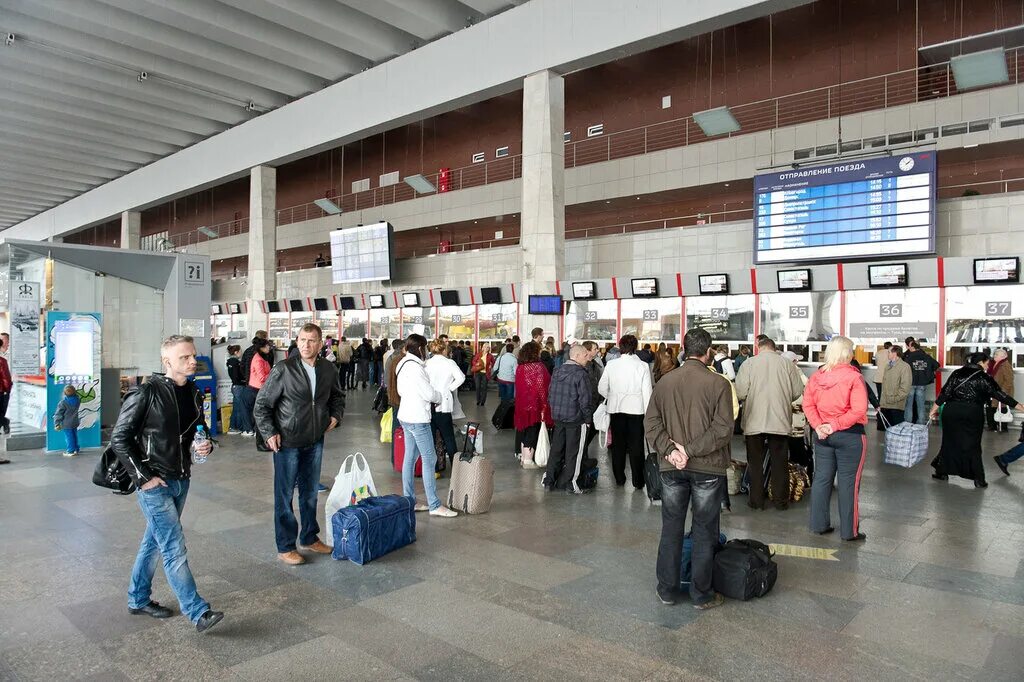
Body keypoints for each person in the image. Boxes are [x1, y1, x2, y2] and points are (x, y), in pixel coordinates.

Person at [110, 335, 223, 633]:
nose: (191, 361)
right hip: (154, 482)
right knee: (173, 545)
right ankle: (198, 611)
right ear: (167, 362)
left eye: (193, 356)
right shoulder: (146, 392)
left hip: (180, 478)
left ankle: (137, 598)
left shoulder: (194, 392)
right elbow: (119, 439)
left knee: (153, 542)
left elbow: (199, 430)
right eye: (184, 357)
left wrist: (205, 444)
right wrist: (144, 478)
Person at [644, 327, 730, 610]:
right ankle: (700, 594)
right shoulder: (718, 384)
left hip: (671, 468)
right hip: (708, 469)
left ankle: (666, 590)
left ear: (683, 349)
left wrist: (671, 451)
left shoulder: (665, 382)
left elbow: (651, 424)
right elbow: (723, 429)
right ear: (709, 352)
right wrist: (690, 451)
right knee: (705, 530)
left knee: (671, 528)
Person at [254, 324, 345, 565]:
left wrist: (335, 416)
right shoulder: (284, 369)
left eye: (312, 340)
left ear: (320, 344)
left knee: (309, 494)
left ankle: (309, 537)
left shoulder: (327, 369)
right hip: (288, 442)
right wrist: (269, 432)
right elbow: (262, 404)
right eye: (302, 340)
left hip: (314, 439)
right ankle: (285, 546)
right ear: (297, 341)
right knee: (284, 496)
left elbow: (337, 396)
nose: (306, 345)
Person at [803, 336, 869, 542]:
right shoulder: (854, 377)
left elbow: (808, 405)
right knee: (849, 483)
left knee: (822, 479)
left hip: (823, 436)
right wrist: (835, 425)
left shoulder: (817, 376)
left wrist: (819, 426)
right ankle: (850, 532)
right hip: (850, 436)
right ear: (847, 353)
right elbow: (859, 409)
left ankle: (818, 525)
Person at [929, 352, 1023, 488]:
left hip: (952, 411)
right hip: (972, 413)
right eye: (986, 363)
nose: (987, 366)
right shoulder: (984, 378)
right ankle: (978, 479)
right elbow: (999, 394)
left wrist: (934, 409)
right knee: (972, 445)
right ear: (980, 363)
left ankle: (942, 472)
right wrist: (1019, 406)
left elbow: (945, 392)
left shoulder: (957, 373)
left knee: (949, 442)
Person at [734, 336, 805, 510]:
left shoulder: (749, 364)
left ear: (759, 347)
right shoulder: (787, 365)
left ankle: (756, 501)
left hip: (754, 420)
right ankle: (781, 501)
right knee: (779, 461)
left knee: (755, 462)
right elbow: (797, 392)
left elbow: (741, 392)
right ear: (774, 348)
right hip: (779, 420)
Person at [395, 334, 457, 517]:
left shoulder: (402, 364)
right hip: (418, 418)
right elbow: (429, 394)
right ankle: (434, 504)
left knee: (410, 457)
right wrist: (440, 396)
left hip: (405, 416)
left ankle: (409, 500)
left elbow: (400, 390)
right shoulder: (415, 368)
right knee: (430, 459)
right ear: (421, 349)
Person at [598, 334, 653, 490]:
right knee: (636, 447)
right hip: (636, 410)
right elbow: (647, 392)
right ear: (635, 347)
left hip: (616, 410)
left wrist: (613, 396)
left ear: (620, 346)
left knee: (618, 446)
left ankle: (619, 479)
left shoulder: (611, 365)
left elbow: (601, 388)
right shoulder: (642, 366)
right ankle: (638, 481)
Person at [544, 344, 594, 493]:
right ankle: (571, 484)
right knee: (574, 453)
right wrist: (588, 419)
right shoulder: (581, 374)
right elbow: (585, 400)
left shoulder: (557, 371)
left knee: (556, 450)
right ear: (577, 356)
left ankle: (549, 481)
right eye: (585, 355)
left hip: (558, 418)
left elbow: (550, 394)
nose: (588, 357)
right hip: (576, 420)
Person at [425, 338, 465, 470]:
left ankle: (435, 467)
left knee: (431, 439)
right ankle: (456, 468)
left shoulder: (426, 363)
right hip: (444, 404)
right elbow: (461, 377)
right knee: (448, 437)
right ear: (444, 349)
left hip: (429, 404)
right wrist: (449, 388)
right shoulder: (449, 363)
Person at [514, 341, 553, 469]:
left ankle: (523, 457)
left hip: (522, 404)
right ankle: (528, 461)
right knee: (532, 431)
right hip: (535, 404)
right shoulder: (538, 367)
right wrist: (544, 404)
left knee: (524, 430)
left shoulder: (520, 367)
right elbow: (543, 386)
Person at [903, 341, 939, 424]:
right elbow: (937, 365)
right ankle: (921, 424)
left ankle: (907, 424)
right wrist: (927, 371)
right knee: (921, 405)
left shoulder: (908, 357)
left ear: (912, 347)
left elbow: (903, 369)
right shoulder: (926, 356)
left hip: (910, 383)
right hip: (922, 384)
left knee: (909, 405)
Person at [878, 345, 911, 430]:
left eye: (889, 352)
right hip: (885, 405)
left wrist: (894, 399)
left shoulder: (905, 367)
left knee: (897, 431)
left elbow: (905, 388)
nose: (887, 354)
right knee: (887, 431)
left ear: (895, 353)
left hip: (896, 406)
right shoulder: (887, 366)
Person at [581, 341, 605, 455]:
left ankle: (584, 454)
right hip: (587, 405)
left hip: (595, 403)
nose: (597, 351)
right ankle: (582, 456)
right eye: (595, 349)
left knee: (592, 430)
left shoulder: (595, 365)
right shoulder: (583, 366)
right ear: (588, 350)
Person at [225, 345, 253, 436]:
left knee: (236, 408)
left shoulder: (230, 362)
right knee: (239, 409)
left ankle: (233, 427)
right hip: (239, 387)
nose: (241, 352)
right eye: (240, 351)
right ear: (236, 352)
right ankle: (235, 427)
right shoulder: (235, 362)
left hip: (235, 387)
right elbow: (237, 376)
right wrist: (244, 380)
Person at [987, 348, 1014, 432]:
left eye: (996, 354)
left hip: (1001, 391)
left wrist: (1002, 392)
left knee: (1002, 408)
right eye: (994, 354)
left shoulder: (1005, 365)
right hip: (993, 390)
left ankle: (1002, 427)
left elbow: (1009, 380)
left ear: (1003, 356)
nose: (994, 356)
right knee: (992, 408)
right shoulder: (995, 364)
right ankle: (993, 426)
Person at [53, 384, 81, 457]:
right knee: (74, 435)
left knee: (69, 437)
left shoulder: (63, 403)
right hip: (75, 421)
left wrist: (57, 423)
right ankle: (76, 449)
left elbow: (58, 414)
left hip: (66, 423)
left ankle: (70, 451)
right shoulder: (77, 399)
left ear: (64, 393)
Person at [471, 342, 495, 406]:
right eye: (486, 347)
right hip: (478, 372)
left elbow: (493, 362)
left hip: (485, 373)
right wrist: (477, 364)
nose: (487, 348)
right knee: (478, 387)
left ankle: (482, 401)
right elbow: (473, 361)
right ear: (483, 348)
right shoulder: (478, 354)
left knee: (484, 387)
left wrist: (491, 365)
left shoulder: (490, 356)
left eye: (488, 347)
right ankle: (478, 400)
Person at [0, 332, 10, 435]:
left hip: (6, 386)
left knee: (5, 407)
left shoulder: (11, 353)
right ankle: (4, 422)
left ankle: (5, 423)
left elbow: (6, 375)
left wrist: (7, 388)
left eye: (3, 339)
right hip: (3, 386)